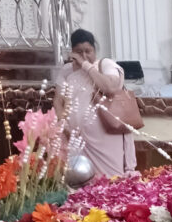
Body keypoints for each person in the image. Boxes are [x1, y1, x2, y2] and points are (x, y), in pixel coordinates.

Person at [54, 28, 137, 178]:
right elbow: (58, 100)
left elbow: (110, 88)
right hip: (76, 138)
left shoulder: (105, 64)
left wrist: (86, 66)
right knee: (80, 180)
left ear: (95, 50)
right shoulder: (67, 70)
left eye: (88, 51)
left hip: (106, 136)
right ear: (72, 52)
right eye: (79, 52)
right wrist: (63, 124)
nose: (84, 55)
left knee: (110, 179)